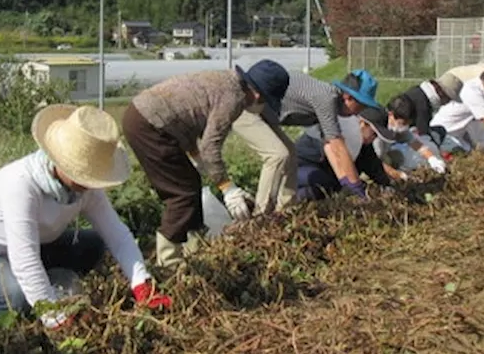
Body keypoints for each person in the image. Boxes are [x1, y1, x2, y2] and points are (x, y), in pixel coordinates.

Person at [0, 105, 170, 330]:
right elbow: (24, 257)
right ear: (61, 161)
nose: (88, 184)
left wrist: (142, 284)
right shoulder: (22, 186)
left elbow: (116, 235)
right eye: (83, 175)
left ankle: (39, 287)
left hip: (21, 248)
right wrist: (54, 318)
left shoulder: (84, 188)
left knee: (93, 245)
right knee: (15, 296)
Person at [121, 61, 289, 269]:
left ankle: (193, 246)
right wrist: (228, 188)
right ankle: (169, 262)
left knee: (191, 182)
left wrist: (196, 157)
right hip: (149, 125)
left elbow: (188, 118)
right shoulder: (234, 98)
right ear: (258, 95)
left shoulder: (226, 81)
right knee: (182, 193)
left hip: (146, 118)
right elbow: (211, 145)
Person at [230, 69, 375, 213]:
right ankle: (261, 213)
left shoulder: (330, 102)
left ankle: (284, 209)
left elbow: (330, 146)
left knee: (290, 153)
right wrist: (357, 188)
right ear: (349, 97)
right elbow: (337, 145)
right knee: (277, 155)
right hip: (247, 108)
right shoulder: (326, 99)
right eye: (361, 105)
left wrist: (346, 182)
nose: (360, 112)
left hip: (265, 113)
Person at [296, 106, 399, 202]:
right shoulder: (337, 131)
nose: (374, 139)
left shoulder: (363, 145)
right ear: (362, 124)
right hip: (300, 168)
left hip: (325, 173)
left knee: (336, 185)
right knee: (325, 184)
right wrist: (355, 189)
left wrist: (388, 185)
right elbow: (336, 158)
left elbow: (373, 166)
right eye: (374, 134)